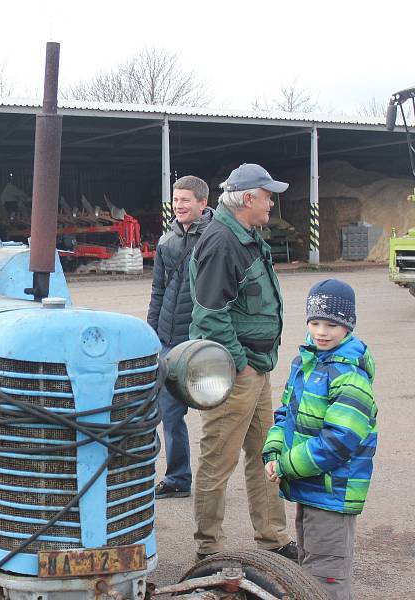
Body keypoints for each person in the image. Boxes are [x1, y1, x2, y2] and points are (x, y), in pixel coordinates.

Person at [188, 163, 296, 560]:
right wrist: (241, 363)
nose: (272, 202)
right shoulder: (221, 243)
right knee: (218, 461)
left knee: (266, 455)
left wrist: (256, 366)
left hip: (257, 368)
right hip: (236, 373)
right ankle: (208, 549)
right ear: (248, 198)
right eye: (268, 195)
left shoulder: (248, 237)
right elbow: (209, 314)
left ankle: (273, 540)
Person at [263, 280, 376, 599]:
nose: (321, 331)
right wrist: (273, 452)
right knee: (310, 564)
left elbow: (338, 442)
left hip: (333, 492)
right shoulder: (306, 363)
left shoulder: (349, 376)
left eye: (332, 324)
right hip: (311, 487)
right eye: (315, 322)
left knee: (326, 577)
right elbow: (286, 412)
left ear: (348, 325)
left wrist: (286, 465)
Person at [147, 175, 214, 499]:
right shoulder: (166, 242)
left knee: (218, 418)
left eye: (186, 200)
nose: (179, 205)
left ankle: (215, 482)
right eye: (176, 200)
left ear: (203, 203)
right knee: (168, 415)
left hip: (204, 344)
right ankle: (177, 478)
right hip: (168, 340)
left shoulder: (216, 239)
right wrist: (151, 333)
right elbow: (158, 290)